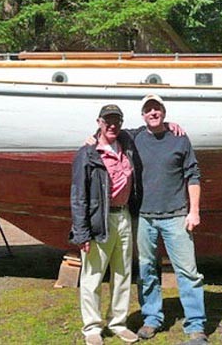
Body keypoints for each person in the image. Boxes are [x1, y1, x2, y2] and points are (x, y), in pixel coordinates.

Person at [133, 94, 207, 345]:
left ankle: (195, 325)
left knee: (188, 272)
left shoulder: (179, 138)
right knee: (146, 271)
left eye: (157, 108)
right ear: (142, 115)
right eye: (148, 109)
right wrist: (91, 139)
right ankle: (152, 318)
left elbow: (193, 175)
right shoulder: (134, 137)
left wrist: (194, 211)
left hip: (177, 216)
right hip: (145, 218)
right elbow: (107, 133)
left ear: (164, 112)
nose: (153, 113)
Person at [70, 104, 140, 345]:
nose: (112, 125)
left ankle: (118, 323)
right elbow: (78, 195)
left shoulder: (127, 144)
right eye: (108, 121)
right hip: (100, 218)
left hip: (124, 216)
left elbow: (144, 129)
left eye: (117, 121)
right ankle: (92, 327)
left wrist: (171, 126)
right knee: (93, 275)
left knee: (123, 273)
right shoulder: (88, 152)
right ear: (99, 122)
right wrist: (81, 233)